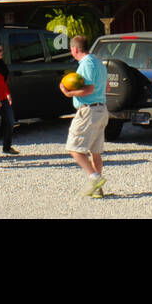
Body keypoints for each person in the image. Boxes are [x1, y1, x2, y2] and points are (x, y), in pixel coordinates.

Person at [61, 35, 108, 197]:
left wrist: (68, 92)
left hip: (89, 110)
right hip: (101, 109)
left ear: (74, 49)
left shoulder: (86, 64)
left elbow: (89, 89)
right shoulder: (98, 62)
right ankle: (97, 189)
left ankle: (94, 178)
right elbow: (104, 86)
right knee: (95, 151)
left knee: (74, 148)